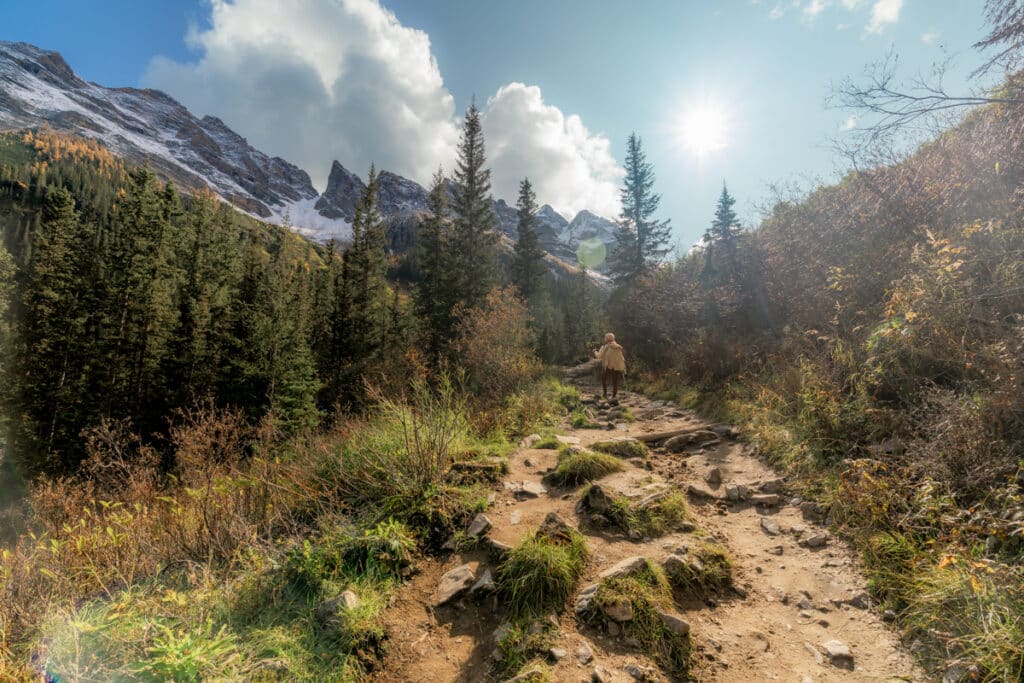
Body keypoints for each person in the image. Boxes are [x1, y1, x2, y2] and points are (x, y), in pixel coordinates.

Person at [594, 332, 626, 398]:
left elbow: (599, 356)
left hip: (607, 366)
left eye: (605, 338)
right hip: (616, 366)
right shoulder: (618, 347)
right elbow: (621, 357)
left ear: (607, 339)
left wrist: (594, 351)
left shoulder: (605, 347)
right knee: (615, 382)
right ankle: (614, 396)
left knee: (604, 379)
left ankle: (605, 394)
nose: (604, 339)